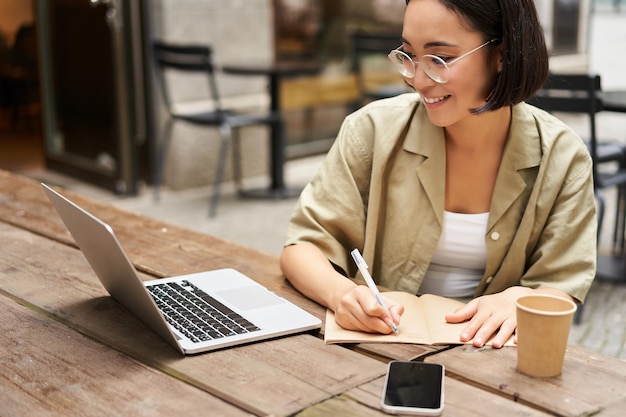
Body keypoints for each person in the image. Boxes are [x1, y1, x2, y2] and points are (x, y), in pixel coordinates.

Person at [280, 0, 596, 348]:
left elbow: (563, 284)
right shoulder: (372, 131)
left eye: (440, 59)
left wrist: (518, 299)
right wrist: (342, 294)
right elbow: (302, 247)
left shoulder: (562, 157)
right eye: (409, 55)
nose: (417, 79)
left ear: (503, 54)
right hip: (375, 349)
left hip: (489, 361)